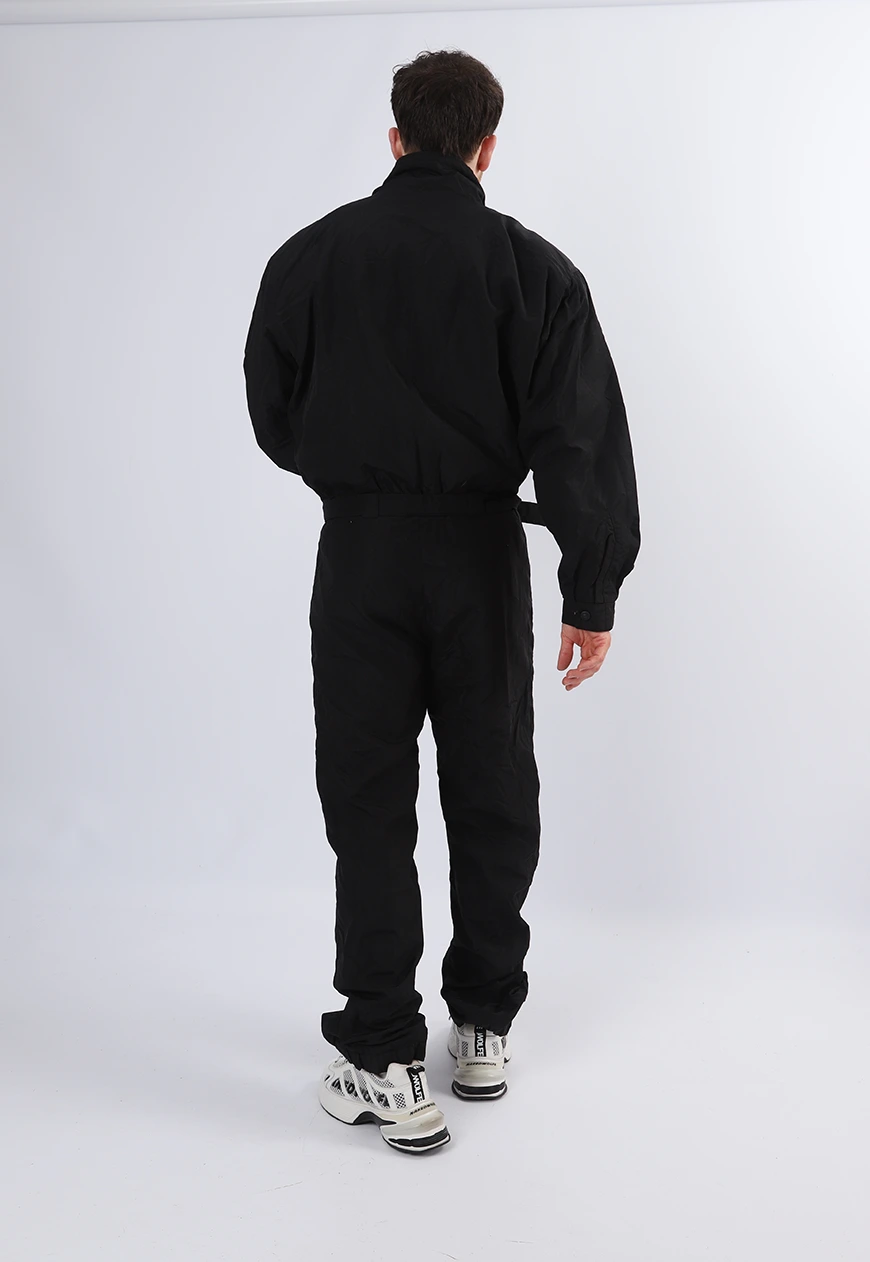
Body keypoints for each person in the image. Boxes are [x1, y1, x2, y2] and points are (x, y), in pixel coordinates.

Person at [243, 48, 641, 1155]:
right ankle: (481, 1025)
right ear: (487, 147)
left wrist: (359, 476)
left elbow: (272, 411)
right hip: (480, 557)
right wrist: (590, 588)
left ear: (395, 137)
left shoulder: (312, 256)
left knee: (368, 800)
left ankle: (381, 1052)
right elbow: (578, 435)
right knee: (493, 787)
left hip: (362, 556)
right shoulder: (535, 270)